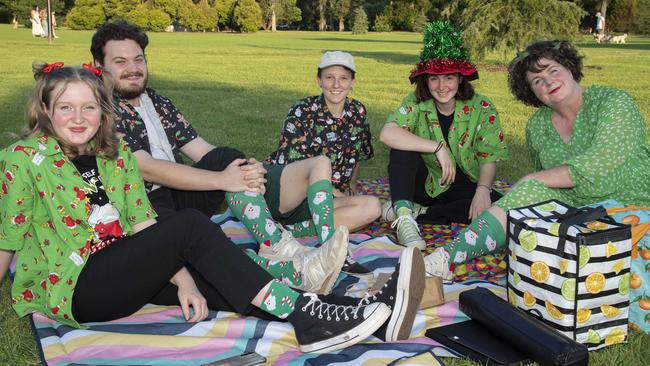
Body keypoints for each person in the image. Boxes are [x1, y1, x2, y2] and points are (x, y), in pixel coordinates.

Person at [0, 63, 424, 353]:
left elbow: (143, 222)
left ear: (102, 110)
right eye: (66, 107)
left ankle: (355, 315)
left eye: (88, 106)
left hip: (123, 270)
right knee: (190, 228)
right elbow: (6, 239)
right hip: (76, 287)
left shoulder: (116, 152)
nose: (78, 117)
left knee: (221, 274)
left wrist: (183, 281)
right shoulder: (21, 159)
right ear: (44, 110)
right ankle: (307, 316)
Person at [90, 20, 374, 292]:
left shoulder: (157, 102)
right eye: (121, 62)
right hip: (141, 206)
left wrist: (246, 169)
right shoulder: (103, 110)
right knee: (203, 250)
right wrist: (222, 180)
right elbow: (147, 169)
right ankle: (289, 270)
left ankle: (275, 245)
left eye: (138, 59)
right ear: (99, 67)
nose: (133, 68)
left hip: (176, 194)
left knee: (229, 156)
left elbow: (201, 149)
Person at [425, 39, 650, 281]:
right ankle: (444, 258)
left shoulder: (613, 101)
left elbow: (602, 161)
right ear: (531, 93)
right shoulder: (538, 125)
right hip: (574, 210)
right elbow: (545, 181)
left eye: (553, 70)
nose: (548, 82)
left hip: (630, 204)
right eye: (537, 81)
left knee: (532, 185)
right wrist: (533, 185)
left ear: (570, 68)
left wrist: (532, 180)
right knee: (531, 192)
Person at [379, 21, 509, 250]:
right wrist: (437, 147)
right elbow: (387, 133)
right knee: (402, 146)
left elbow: (489, 155)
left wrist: (482, 190)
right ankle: (404, 217)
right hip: (423, 181)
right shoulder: (416, 102)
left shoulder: (482, 107)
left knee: (499, 208)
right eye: (434, 78)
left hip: (460, 186)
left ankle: (421, 213)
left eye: (449, 77)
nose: (441, 86)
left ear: (460, 78)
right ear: (425, 80)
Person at [265, 51, 382, 236]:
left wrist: (352, 184)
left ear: (353, 82)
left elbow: (358, 152)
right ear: (319, 80)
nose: (336, 85)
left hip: (323, 202)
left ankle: (292, 231)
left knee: (374, 207)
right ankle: (289, 223)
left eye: (343, 78)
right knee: (321, 164)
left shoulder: (357, 111)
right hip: (291, 196)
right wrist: (339, 195)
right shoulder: (302, 110)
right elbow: (294, 167)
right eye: (329, 77)